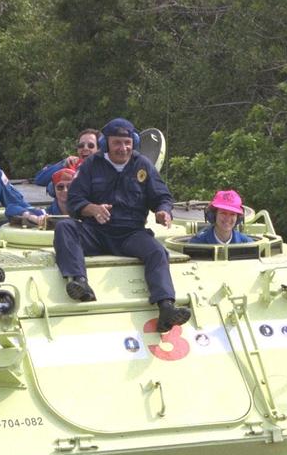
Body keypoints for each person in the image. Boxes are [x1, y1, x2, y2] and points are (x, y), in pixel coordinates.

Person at [54, 116, 191, 333]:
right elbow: (74, 201)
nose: (123, 148)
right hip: (97, 231)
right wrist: (93, 209)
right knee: (65, 228)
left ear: (134, 142)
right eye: (117, 142)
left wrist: (163, 211)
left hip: (131, 234)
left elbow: (162, 196)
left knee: (157, 251)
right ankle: (79, 282)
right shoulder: (92, 165)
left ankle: (166, 307)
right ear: (105, 143)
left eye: (127, 143)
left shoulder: (142, 165)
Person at [33, 128, 100, 188]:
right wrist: (63, 164)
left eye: (91, 145)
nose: (85, 148)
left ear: (98, 149)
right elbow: (39, 180)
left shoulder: (105, 167)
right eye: (81, 145)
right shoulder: (72, 165)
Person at [187, 189, 254, 245]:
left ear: (238, 218)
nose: (228, 218)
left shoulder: (247, 243)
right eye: (223, 213)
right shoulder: (197, 243)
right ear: (213, 215)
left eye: (232, 214)